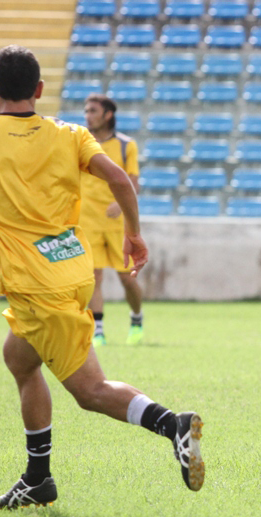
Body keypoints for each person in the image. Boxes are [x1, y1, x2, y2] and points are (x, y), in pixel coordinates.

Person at [0, 45, 204, 509]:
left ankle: (172, 425)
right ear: (39, 91)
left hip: (35, 285)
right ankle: (38, 478)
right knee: (20, 360)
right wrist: (134, 236)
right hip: (74, 267)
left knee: (90, 391)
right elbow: (121, 180)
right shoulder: (71, 133)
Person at [80, 94, 144, 347]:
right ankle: (98, 332)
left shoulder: (126, 145)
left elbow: (134, 183)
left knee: (127, 278)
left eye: (93, 111)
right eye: (86, 111)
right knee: (93, 277)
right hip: (87, 220)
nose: (88, 116)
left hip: (117, 224)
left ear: (108, 115)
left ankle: (136, 319)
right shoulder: (80, 143)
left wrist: (120, 204)